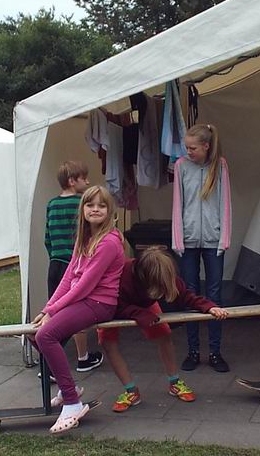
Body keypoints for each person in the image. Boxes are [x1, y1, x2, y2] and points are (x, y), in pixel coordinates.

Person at [32, 186, 125, 434]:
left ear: (109, 211)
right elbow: (68, 278)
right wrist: (47, 308)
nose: (95, 209)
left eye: (101, 206)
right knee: (35, 334)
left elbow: (85, 285)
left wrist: (54, 310)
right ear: (82, 209)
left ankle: (72, 403)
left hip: (99, 303)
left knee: (46, 335)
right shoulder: (84, 238)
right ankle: (68, 388)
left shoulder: (109, 242)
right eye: (90, 205)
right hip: (82, 300)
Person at [104, 248, 230, 412]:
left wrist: (209, 307)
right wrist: (138, 314)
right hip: (109, 304)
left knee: (164, 335)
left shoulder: (165, 275)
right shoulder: (123, 277)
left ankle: (174, 382)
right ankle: (131, 391)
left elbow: (186, 296)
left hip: (144, 306)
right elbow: (117, 307)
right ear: (144, 278)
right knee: (108, 343)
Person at [171, 122, 232, 373]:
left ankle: (215, 352)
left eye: (192, 148)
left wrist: (224, 238)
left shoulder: (220, 166)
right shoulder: (181, 166)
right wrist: (178, 238)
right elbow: (178, 202)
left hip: (213, 239)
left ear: (206, 146)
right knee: (190, 293)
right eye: (187, 147)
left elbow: (225, 203)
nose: (188, 152)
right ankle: (193, 350)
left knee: (215, 294)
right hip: (188, 239)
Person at [43, 161, 103, 373]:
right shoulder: (81, 203)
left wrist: (54, 256)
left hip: (55, 265)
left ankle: (48, 363)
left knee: (54, 313)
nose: (87, 182)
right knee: (73, 315)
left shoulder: (51, 204)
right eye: (83, 178)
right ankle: (80, 358)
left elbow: (47, 238)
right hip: (74, 266)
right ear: (71, 181)